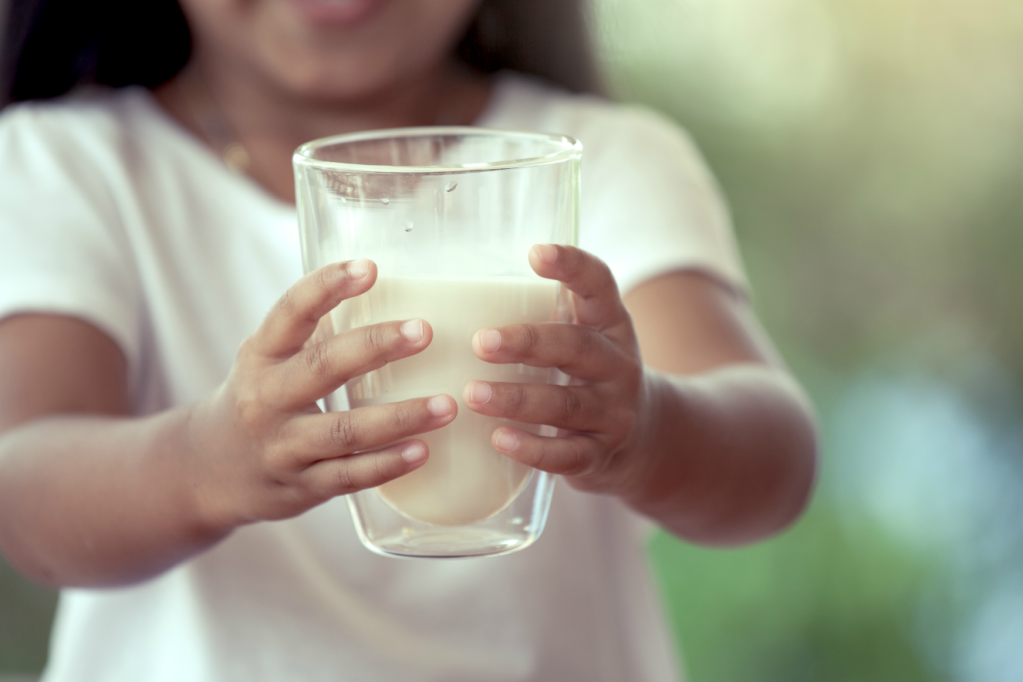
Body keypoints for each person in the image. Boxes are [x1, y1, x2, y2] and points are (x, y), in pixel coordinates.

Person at [0, 0, 818, 680]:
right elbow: (24, 480)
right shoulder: (64, 165)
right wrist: (198, 464)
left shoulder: (598, 161)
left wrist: (648, 425)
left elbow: (774, 456)